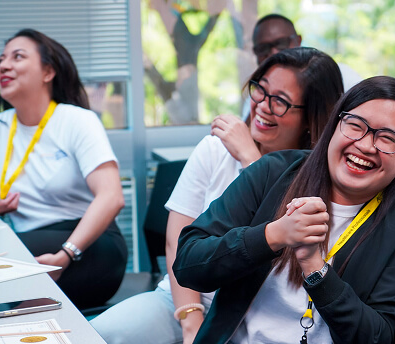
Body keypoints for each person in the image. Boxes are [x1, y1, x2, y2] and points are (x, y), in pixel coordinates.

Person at [90, 47, 344, 343]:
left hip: (257, 316)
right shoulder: (215, 149)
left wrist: (253, 162)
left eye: (280, 102)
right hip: (186, 299)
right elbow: (177, 239)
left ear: (311, 116)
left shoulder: (322, 177)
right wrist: (191, 321)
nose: (262, 105)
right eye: (260, 90)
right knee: (94, 335)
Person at [173, 76, 395, 343]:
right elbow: (188, 264)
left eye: (387, 138)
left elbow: (379, 335)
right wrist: (272, 236)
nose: (365, 145)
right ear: (335, 125)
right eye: (355, 125)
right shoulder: (273, 171)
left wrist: (316, 270)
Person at [0, 29, 127, 309]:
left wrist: (65, 255)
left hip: (89, 245)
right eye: (0, 60)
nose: (4, 66)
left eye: (17, 57)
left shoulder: (77, 121)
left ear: (48, 72)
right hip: (30, 242)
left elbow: (111, 197)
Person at [241, 14, 361, 119]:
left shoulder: (342, 76)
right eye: (263, 48)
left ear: (298, 40)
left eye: (281, 43)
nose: (274, 53)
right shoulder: (256, 97)